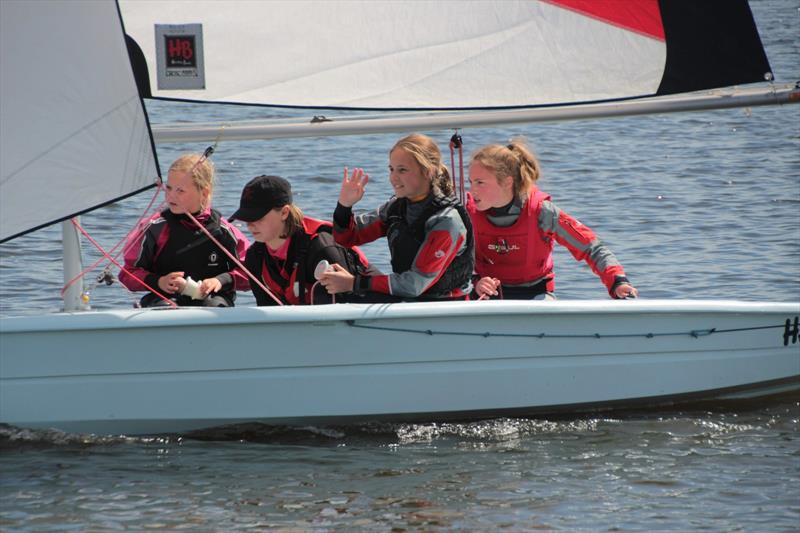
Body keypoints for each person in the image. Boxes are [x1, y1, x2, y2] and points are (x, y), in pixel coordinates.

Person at [467, 139, 637, 300]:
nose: (472, 190)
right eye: (471, 182)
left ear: (506, 182)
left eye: (480, 183)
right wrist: (475, 282)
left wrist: (618, 281)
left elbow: (591, 248)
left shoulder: (542, 212)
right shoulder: (467, 213)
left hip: (536, 296)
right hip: (486, 297)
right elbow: (453, 265)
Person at [320, 133, 474, 302]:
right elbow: (346, 238)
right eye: (391, 169)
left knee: (350, 291)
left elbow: (415, 284)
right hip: (409, 298)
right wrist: (344, 206)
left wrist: (353, 283)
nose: (393, 178)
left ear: (428, 172)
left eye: (402, 170)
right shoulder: (396, 207)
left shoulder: (447, 220)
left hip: (442, 306)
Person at [120, 153, 250, 307]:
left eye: (180, 191)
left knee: (214, 307)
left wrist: (220, 281)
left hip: (214, 300)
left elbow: (252, 273)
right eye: (168, 188)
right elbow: (127, 274)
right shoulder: (154, 228)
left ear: (204, 193)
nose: (170, 196)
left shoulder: (224, 231)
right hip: (164, 299)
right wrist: (158, 281)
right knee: (166, 308)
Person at [230, 175, 375, 305]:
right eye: (246, 218)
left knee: (321, 294)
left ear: (284, 213)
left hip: (374, 312)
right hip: (307, 327)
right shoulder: (254, 257)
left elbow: (348, 308)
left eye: (258, 217)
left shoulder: (322, 248)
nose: (250, 225)